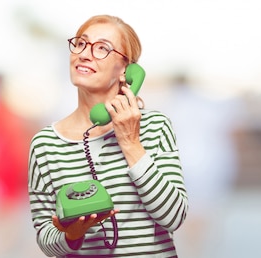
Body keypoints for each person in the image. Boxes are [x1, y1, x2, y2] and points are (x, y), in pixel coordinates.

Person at [28, 15, 189, 257]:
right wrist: (71, 236)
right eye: (81, 43)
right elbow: (45, 237)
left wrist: (130, 142)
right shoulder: (45, 144)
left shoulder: (155, 126)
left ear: (126, 69)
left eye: (102, 48)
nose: (84, 54)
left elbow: (174, 216)